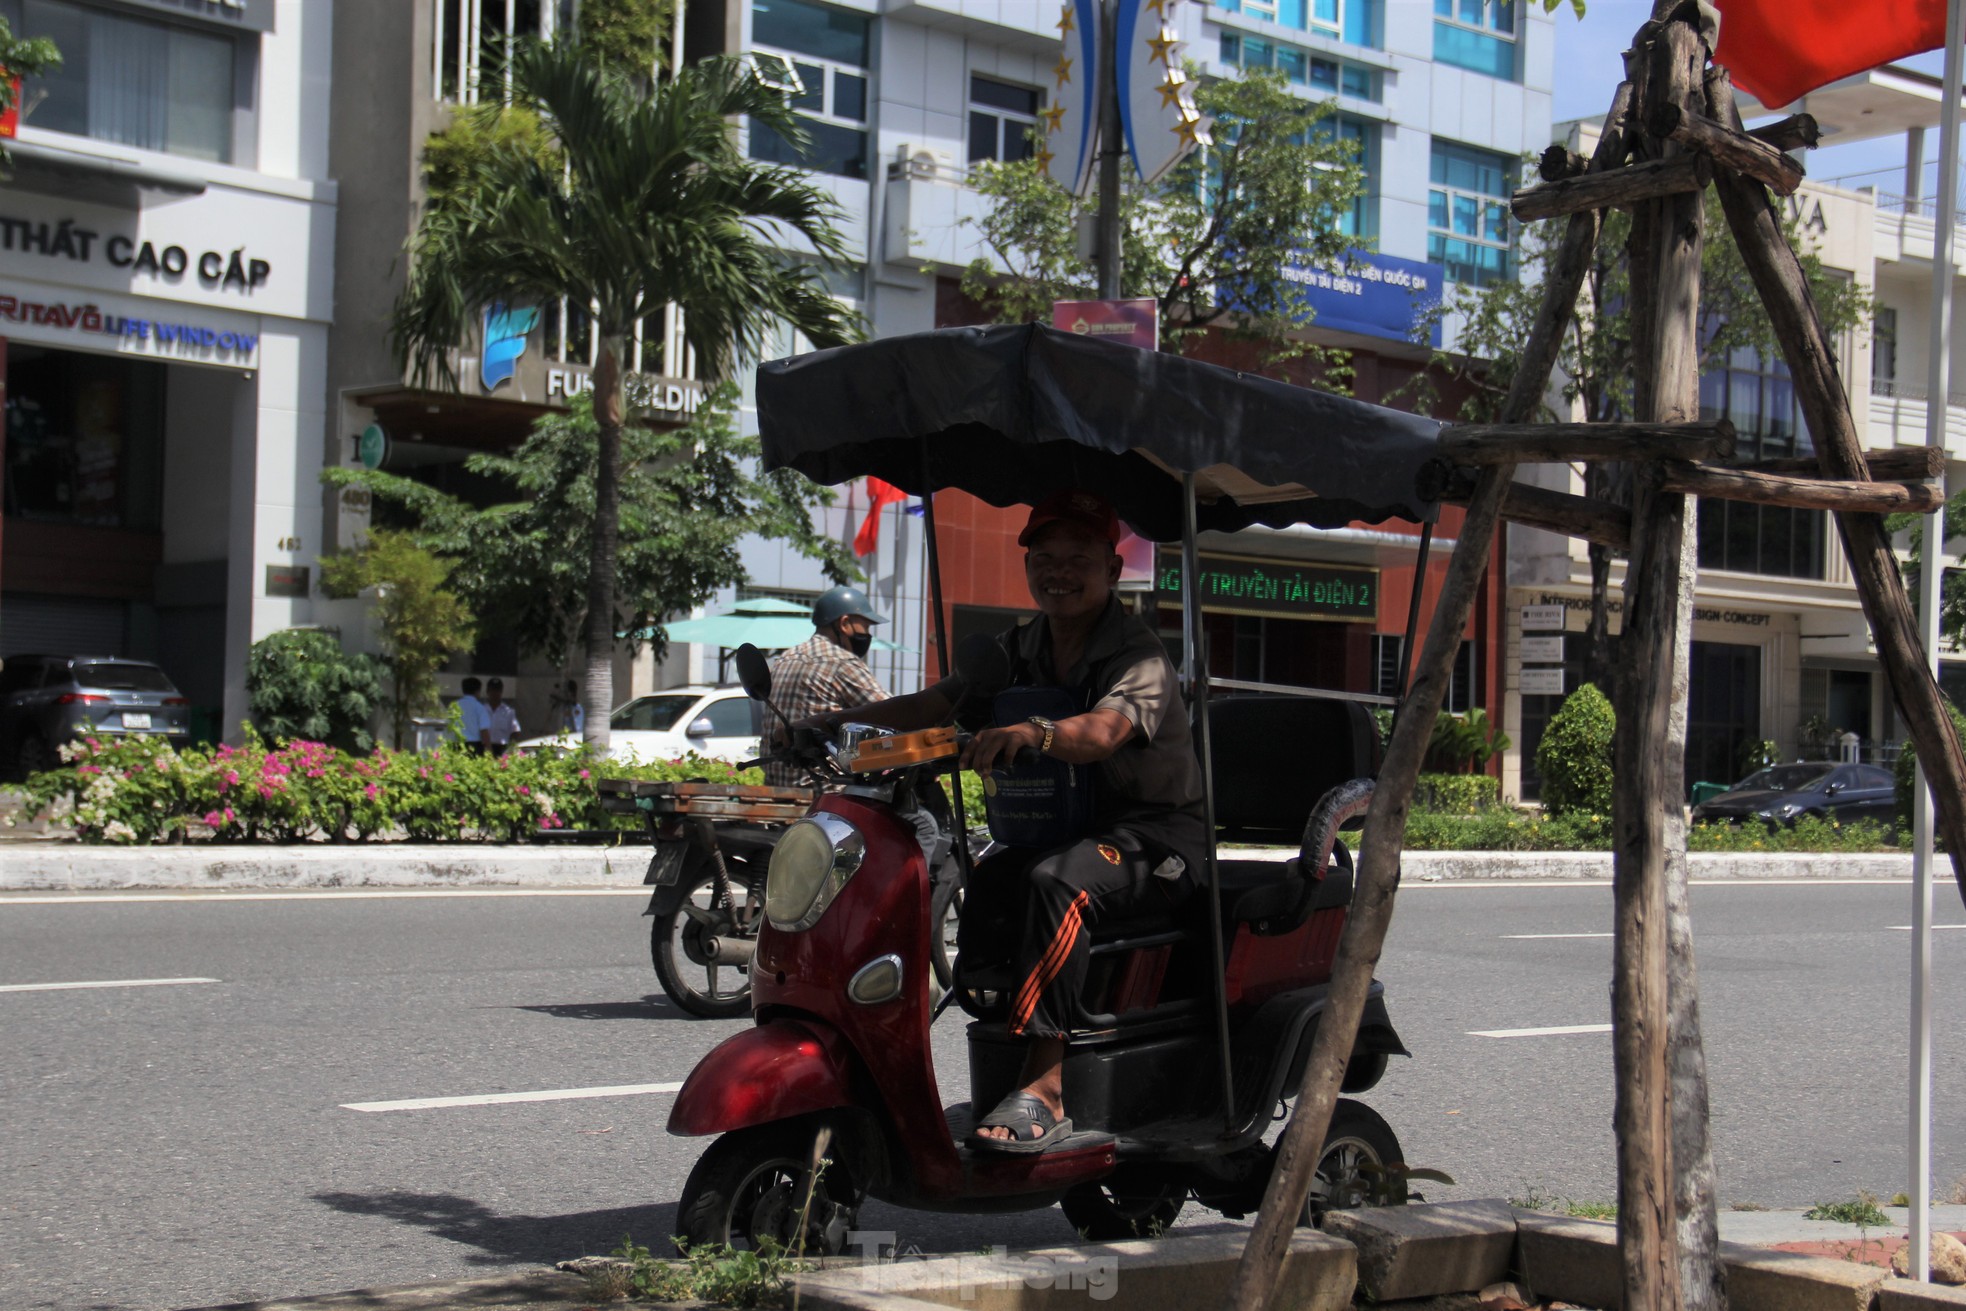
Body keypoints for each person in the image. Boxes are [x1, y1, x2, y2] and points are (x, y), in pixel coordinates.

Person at [802, 489, 1204, 1154]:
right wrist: (840, 722)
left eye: (1076, 558)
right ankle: (1001, 1039)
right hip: (1073, 829)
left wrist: (1036, 732)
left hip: (1155, 838)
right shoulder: (1021, 646)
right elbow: (942, 701)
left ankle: (1046, 1084)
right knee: (989, 878)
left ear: (1111, 567)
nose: (1058, 571)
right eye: (1043, 557)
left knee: (1056, 881)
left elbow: (1105, 731)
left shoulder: (1139, 655)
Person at [760, 585, 890, 789]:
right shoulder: (841, 662)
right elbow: (891, 712)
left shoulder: (785, 658)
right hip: (829, 793)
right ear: (845, 623)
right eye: (865, 627)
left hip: (778, 788)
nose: (867, 635)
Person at [485, 677, 521, 757]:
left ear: (501, 692)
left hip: (502, 748)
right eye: (492, 690)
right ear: (488, 692)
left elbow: (516, 731)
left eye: (498, 690)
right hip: (485, 747)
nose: (495, 693)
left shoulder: (509, 712)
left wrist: (510, 747)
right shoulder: (482, 711)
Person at [456, 677, 491, 755]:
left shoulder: (454, 706)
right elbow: (484, 730)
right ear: (477, 691)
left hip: (457, 745)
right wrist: (489, 751)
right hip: (475, 746)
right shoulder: (479, 707)